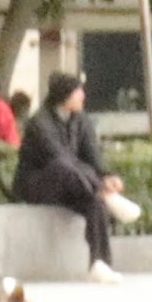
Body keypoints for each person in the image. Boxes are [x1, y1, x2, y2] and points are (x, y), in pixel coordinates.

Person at [16, 72, 137, 282]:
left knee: (94, 203)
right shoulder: (39, 122)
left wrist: (107, 176)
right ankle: (105, 196)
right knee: (62, 165)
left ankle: (100, 263)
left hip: (74, 184)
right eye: (77, 91)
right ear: (64, 95)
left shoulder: (81, 120)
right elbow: (58, 156)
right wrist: (98, 184)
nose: (82, 96)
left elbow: (92, 155)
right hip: (39, 185)